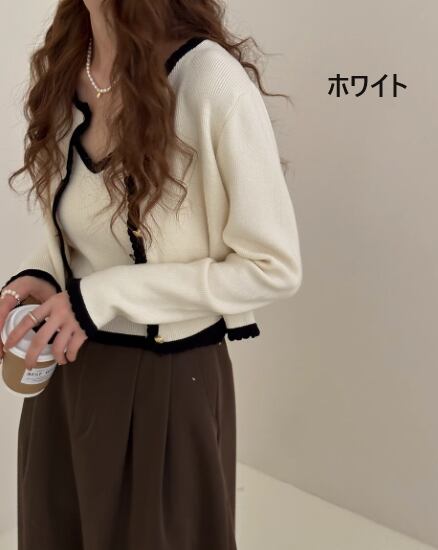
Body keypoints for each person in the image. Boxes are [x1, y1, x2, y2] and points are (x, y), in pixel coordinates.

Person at [0, 1, 302, 549]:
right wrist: (42, 276)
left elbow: (272, 267)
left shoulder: (209, 83)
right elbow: (86, 234)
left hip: (166, 385)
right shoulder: (68, 63)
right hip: (66, 376)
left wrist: (103, 297)